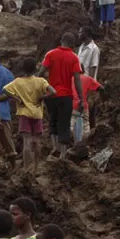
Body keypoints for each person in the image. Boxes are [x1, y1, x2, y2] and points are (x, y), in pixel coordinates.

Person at [0, 58, 55, 171]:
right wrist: (42, 97)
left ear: (23, 69)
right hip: (37, 114)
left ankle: (26, 167)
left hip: (25, 114)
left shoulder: (18, 81)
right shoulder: (41, 81)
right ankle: (35, 167)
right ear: (35, 69)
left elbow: (4, 90)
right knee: (37, 142)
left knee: (27, 142)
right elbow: (53, 92)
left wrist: (17, 98)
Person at [39, 32, 85, 160]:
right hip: (66, 96)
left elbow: (41, 72)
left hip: (51, 95)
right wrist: (81, 97)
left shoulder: (50, 54)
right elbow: (77, 79)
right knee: (63, 124)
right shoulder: (74, 57)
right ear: (72, 44)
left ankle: (55, 148)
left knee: (53, 121)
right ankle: (63, 153)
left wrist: (41, 88)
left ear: (61, 40)